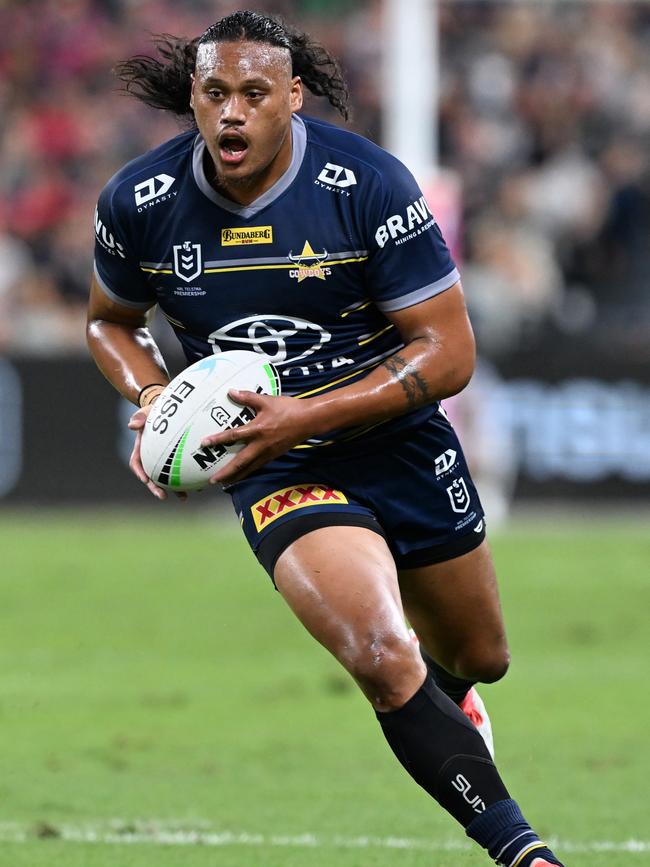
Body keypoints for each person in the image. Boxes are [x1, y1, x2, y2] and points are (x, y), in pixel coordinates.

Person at [87, 12, 564, 866]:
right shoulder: (141, 201)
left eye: (254, 94)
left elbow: (449, 354)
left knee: (479, 656)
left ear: (293, 98)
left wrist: (303, 412)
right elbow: (108, 324)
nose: (231, 114)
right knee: (383, 654)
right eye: (215, 94)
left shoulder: (367, 183)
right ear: (193, 100)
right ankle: (522, 849)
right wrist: (157, 396)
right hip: (276, 465)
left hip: (398, 440)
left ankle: (442, 711)